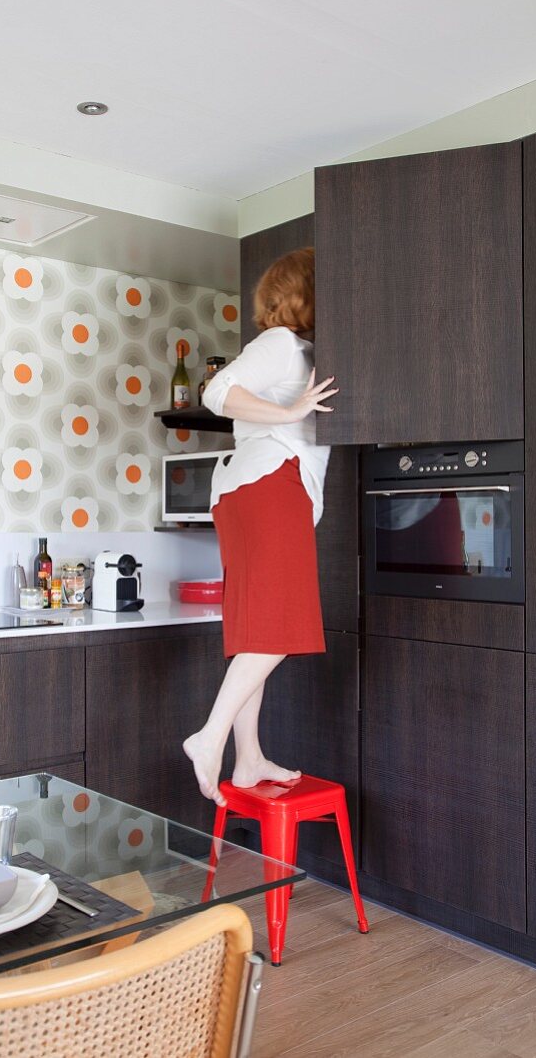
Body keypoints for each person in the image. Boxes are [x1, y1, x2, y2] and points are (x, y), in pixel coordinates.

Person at [183, 246, 338, 806]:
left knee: (255, 630)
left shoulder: (304, 350)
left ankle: (248, 758)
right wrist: (292, 413)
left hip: (245, 490)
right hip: (271, 484)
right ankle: (211, 737)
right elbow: (217, 392)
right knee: (280, 626)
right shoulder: (282, 345)